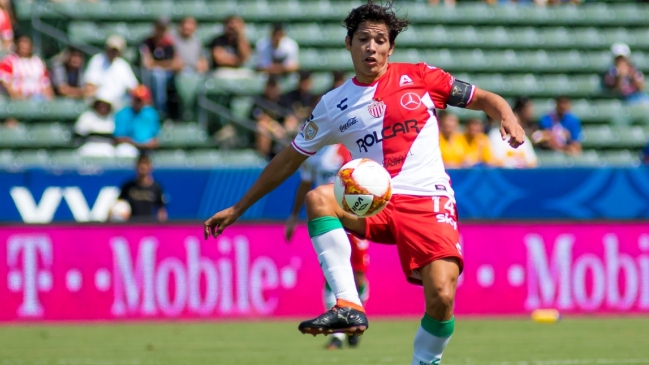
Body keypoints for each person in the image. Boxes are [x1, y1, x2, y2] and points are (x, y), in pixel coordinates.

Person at [203, 2, 525, 365]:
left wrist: (507, 117)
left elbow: (486, 98)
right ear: (348, 44)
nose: (371, 47)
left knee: (442, 295)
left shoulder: (421, 77)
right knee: (319, 198)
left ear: (391, 48)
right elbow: (288, 159)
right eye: (363, 39)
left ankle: (425, 361)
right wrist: (238, 207)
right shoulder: (333, 104)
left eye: (380, 40)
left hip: (428, 200)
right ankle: (348, 304)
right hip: (377, 202)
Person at [284, 143, 370, 350]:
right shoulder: (311, 154)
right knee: (333, 273)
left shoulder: (347, 149)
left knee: (359, 276)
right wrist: (294, 216)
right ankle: (338, 335)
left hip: (353, 214)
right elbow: (305, 185)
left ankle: (356, 318)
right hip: (327, 216)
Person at [140, 17, 183, 117]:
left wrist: (158, 64)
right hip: (153, 75)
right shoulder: (147, 42)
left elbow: (177, 64)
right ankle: (160, 111)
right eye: (159, 28)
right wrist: (167, 64)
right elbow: (147, 64)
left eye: (164, 28)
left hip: (170, 75)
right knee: (158, 75)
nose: (161, 31)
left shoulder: (171, 43)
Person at [84, 35, 138, 109]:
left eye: (116, 50)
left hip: (119, 104)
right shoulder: (97, 60)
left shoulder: (123, 65)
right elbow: (90, 85)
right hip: (100, 103)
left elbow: (133, 87)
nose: (113, 52)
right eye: (112, 49)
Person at [0, 35, 53, 100]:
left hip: (38, 98)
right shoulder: (9, 61)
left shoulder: (38, 62)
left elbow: (46, 84)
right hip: (17, 100)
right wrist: (18, 97)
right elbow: (5, 82)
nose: (24, 48)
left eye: (26, 46)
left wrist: (50, 101)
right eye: (22, 46)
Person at [118, 153, 168, 222]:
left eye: (146, 163)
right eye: (140, 163)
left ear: (151, 167)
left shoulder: (156, 187)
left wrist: (161, 225)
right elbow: (119, 204)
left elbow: (161, 209)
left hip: (148, 226)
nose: (143, 166)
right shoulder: (128, 186)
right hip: (131, 225)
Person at [113, 85, 161, 158]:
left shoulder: (151, 113)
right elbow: (119, 138)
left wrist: (151, 143)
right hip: (129, 147)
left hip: (148, 149)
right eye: (137, 99)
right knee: (124, 151)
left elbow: (155, 136)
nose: (140, 102)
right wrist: (138, 144)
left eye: (142, 100)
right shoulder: (123, 114)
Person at [249, 76, 290, 158]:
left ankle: (287, 158)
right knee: (262, 128)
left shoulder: (282, 100)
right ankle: (263, 159)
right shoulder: (259, 99)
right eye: (270, 86)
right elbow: (260, 117)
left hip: (280, 132)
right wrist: (274, 127)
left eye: (274, 86)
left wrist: (286, 128)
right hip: (264, 132)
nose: (272, 89)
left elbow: (289, 117)